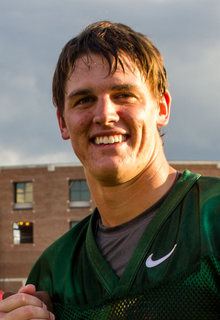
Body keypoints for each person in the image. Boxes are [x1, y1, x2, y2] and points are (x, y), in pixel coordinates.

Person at [1, 21, 220, 319]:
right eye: (84, 100)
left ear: (162, 107)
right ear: (63, 122)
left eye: (124, 95)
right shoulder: (54, 270)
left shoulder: (212, 218)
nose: (105, 114)